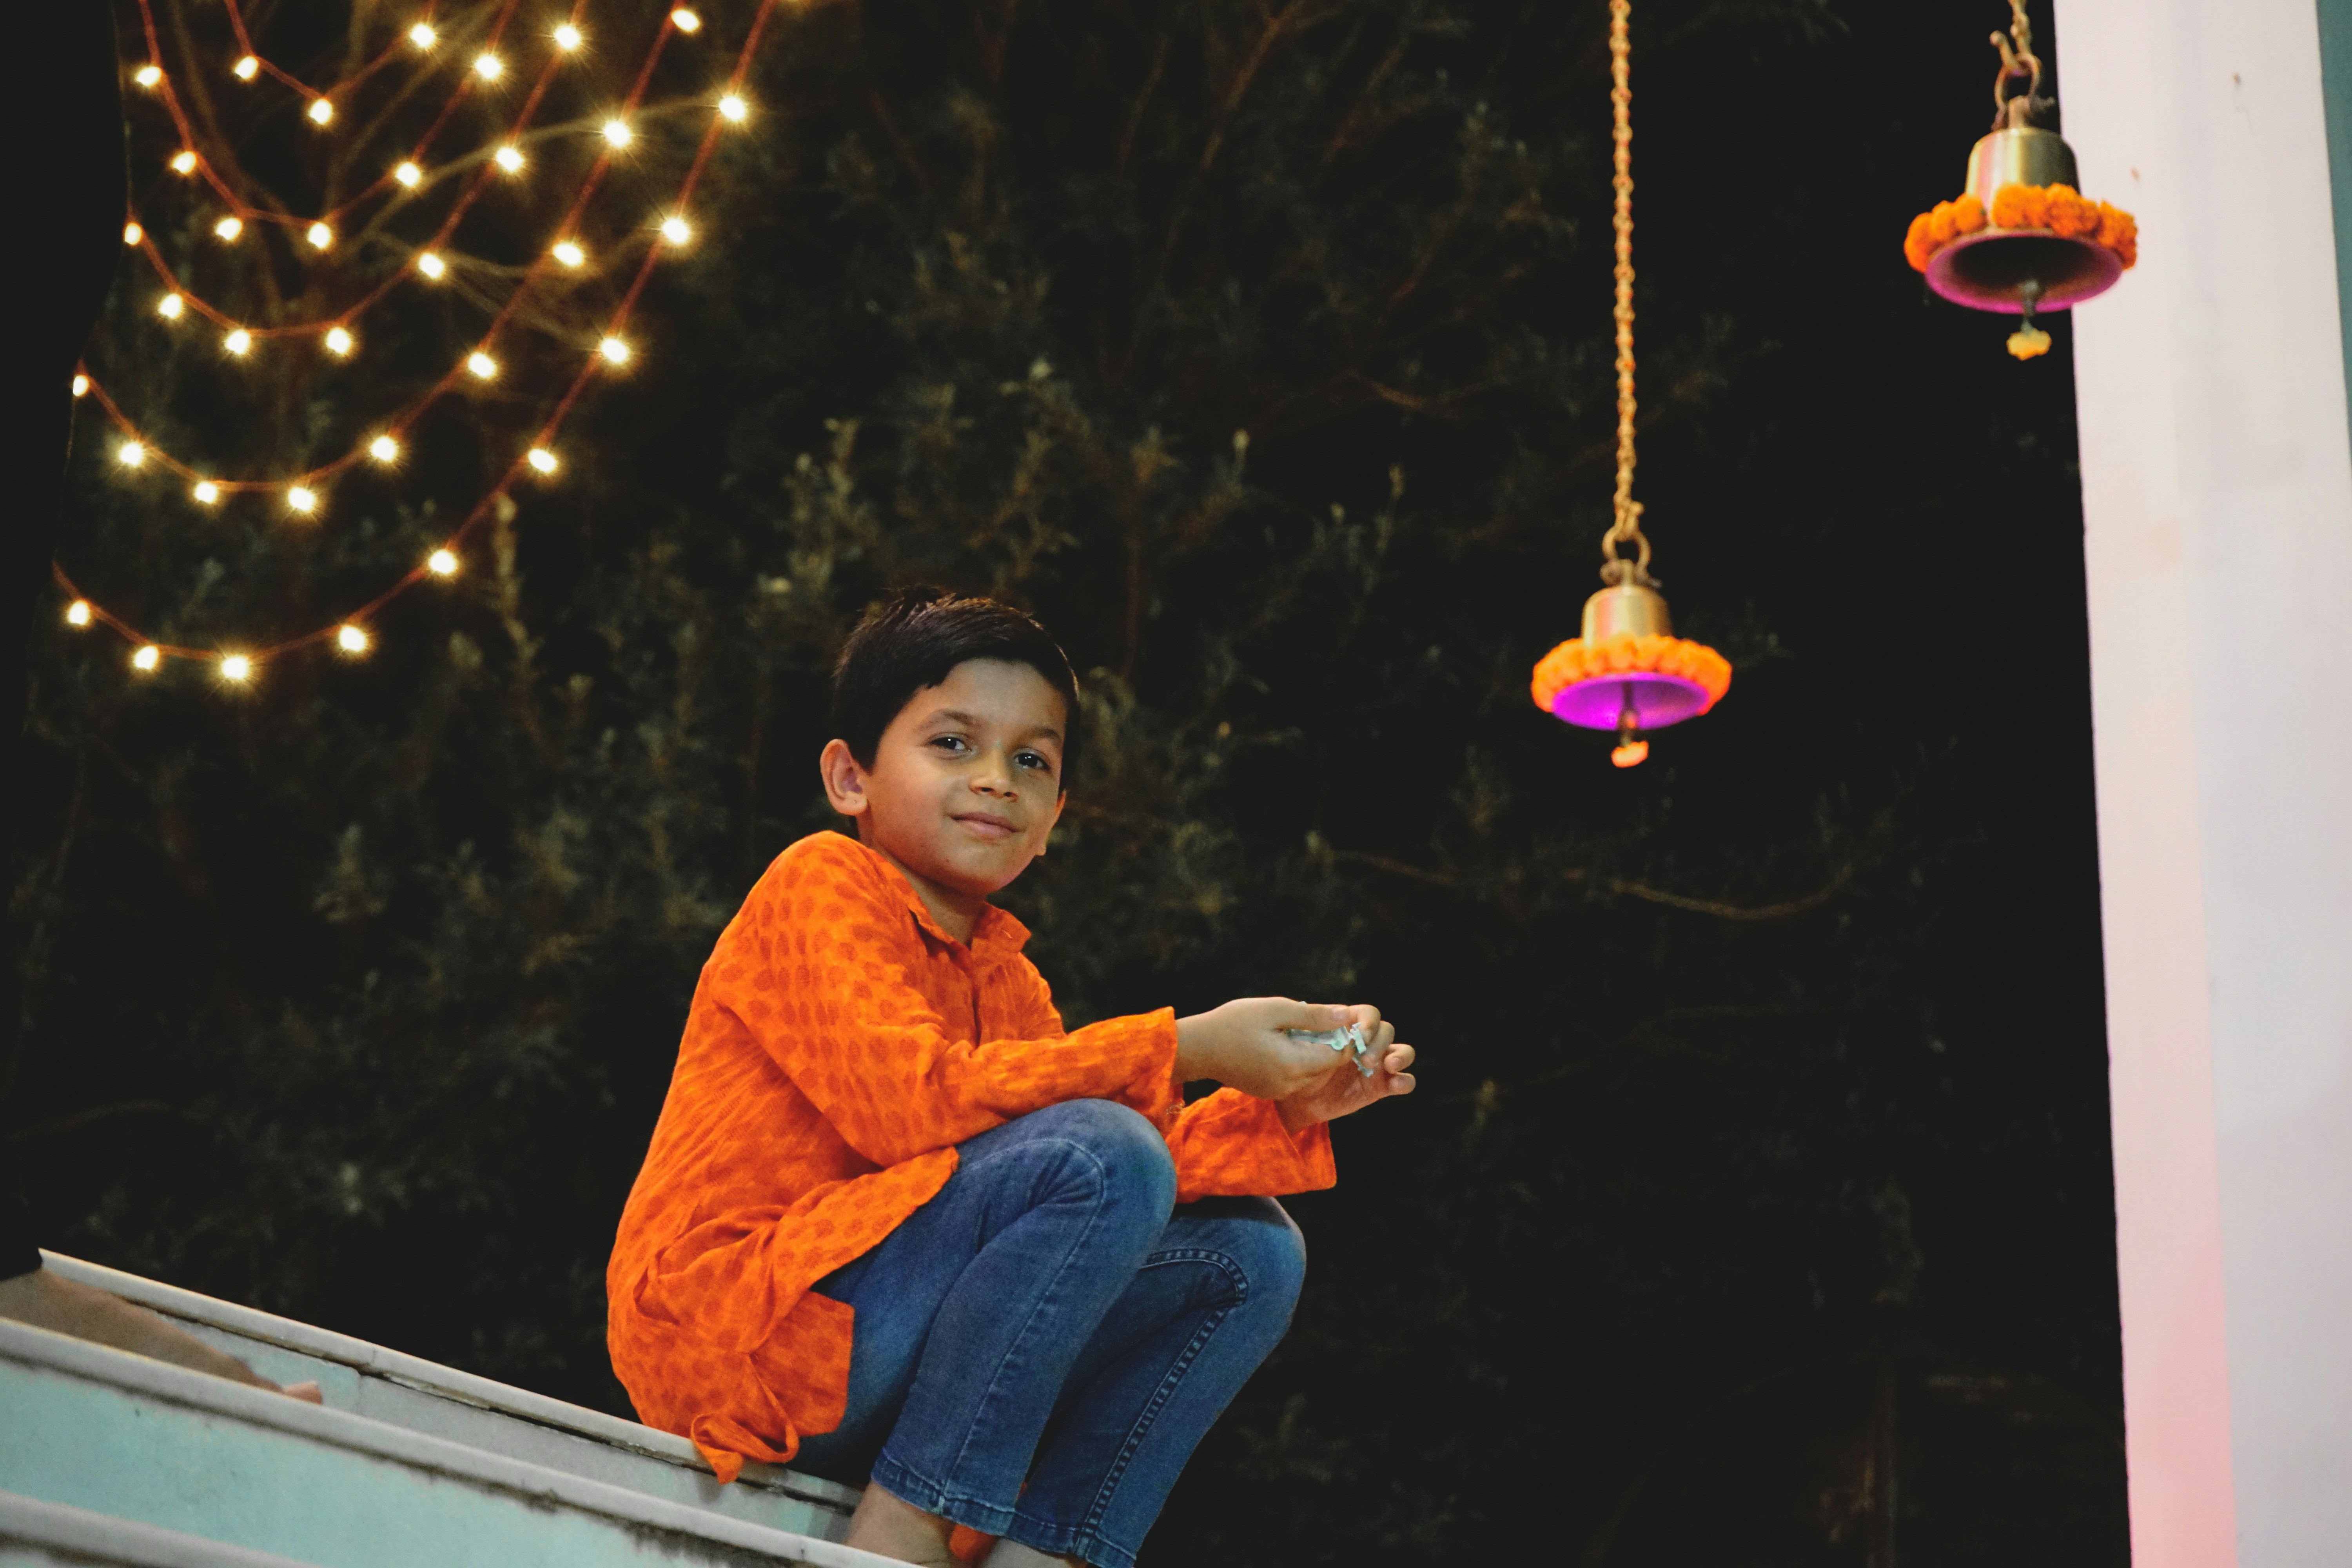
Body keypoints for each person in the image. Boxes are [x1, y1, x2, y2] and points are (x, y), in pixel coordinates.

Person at [606, 588, 1416, 1568]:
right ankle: (906, 1530)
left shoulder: (1009, 980)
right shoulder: (819, 883)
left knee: (1250, 1252)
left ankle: (1047, 1554)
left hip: (882, 1353)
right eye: (954, 743)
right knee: (1095, 1152)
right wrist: (1192, 1043)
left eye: (1031, 760)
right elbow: (912, 1102)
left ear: (1054, 819)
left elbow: (1144, 1170)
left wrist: (1284, 1103)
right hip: (747, 1335)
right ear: (850, 776)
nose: (996, 779)